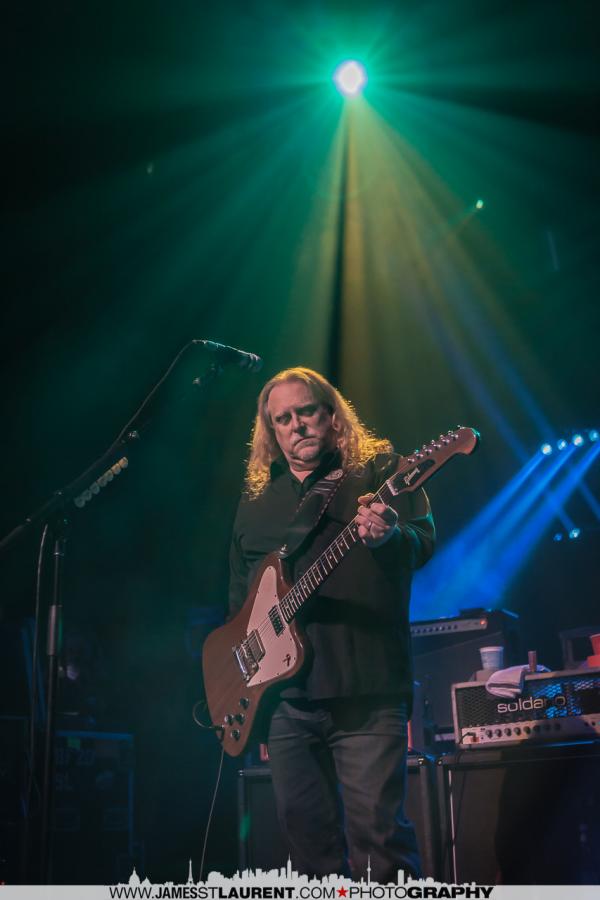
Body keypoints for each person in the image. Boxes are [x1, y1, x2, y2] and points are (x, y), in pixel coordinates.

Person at [228, 367, 435, 882]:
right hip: (286, 703)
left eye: (305, 412)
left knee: (380, 844)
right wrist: (245, 679)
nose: (296, 425)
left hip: (366, 689)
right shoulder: (256, 503)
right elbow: (239, 601)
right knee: (309, 852)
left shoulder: (381, 473)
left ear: (331, 414)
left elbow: (423, 543)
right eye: (282, 419)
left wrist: (389, 537)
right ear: (270, 432)